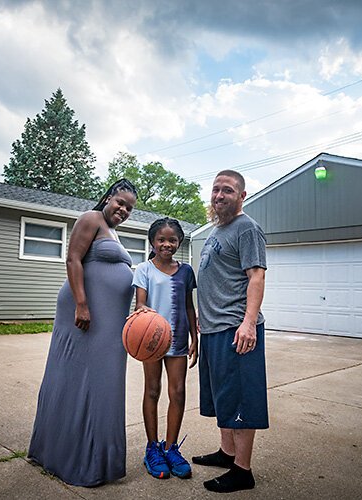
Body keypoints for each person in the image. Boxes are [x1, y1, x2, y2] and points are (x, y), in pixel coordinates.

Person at [28, 179, 138, 487]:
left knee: (103, 383)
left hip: (109, 321)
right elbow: (73, 258)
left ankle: (94, 458)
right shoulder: (91, 218)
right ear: (107, 197)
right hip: (84, 314)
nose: (124, 209)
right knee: (75, 379)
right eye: (120, 202)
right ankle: (69, 457)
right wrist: (82, 304)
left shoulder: (113, 231)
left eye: (129, 207)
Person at [192, 169, 268, 493]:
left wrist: (248, 322)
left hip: (235, 328)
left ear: (242, 196)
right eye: (215, 190)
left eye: (227, 190)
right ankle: (227, 453)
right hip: (212, 328)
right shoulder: (217, 229)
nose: (219, 195)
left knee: (239, 401)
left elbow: (256, 276)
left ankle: (242, 470)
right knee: (221, 399)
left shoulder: (247, 228)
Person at [131, 217, 198, 480]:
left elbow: (189, 306)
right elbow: (140, 305)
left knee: (178, 392)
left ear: (179, 242)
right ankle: (152, 448)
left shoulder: (186, 271)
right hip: (151, 341)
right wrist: (144, 317)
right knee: (152, 390)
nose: (166, 244)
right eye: (161, 239)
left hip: (179, 339)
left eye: (172, 240)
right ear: (153, 242)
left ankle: (171, 449)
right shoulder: (144, 270)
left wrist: (195, 338)